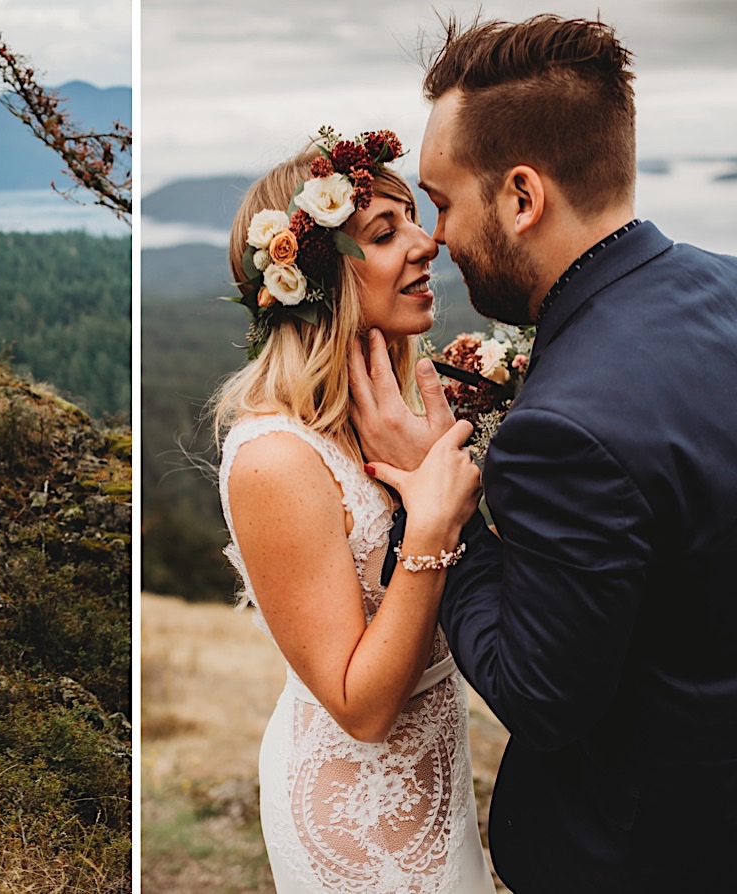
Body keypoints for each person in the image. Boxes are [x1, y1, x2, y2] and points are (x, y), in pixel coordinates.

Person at [349, 15, 737, 893]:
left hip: (639, 854)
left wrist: (431, 498)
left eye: (443, 201)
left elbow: (542, 697)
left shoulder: (565, 431)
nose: (436, 238)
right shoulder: (726, 283)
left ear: (521, 197)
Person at [211, 128, 494, 893]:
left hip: (441, 790)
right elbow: (360, 708)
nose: (425, 243)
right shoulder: (276, 458)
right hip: (358, 826)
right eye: (384, 231)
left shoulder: (395, 418)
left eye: (414, 218)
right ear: (318, 278)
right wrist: (431, 521)